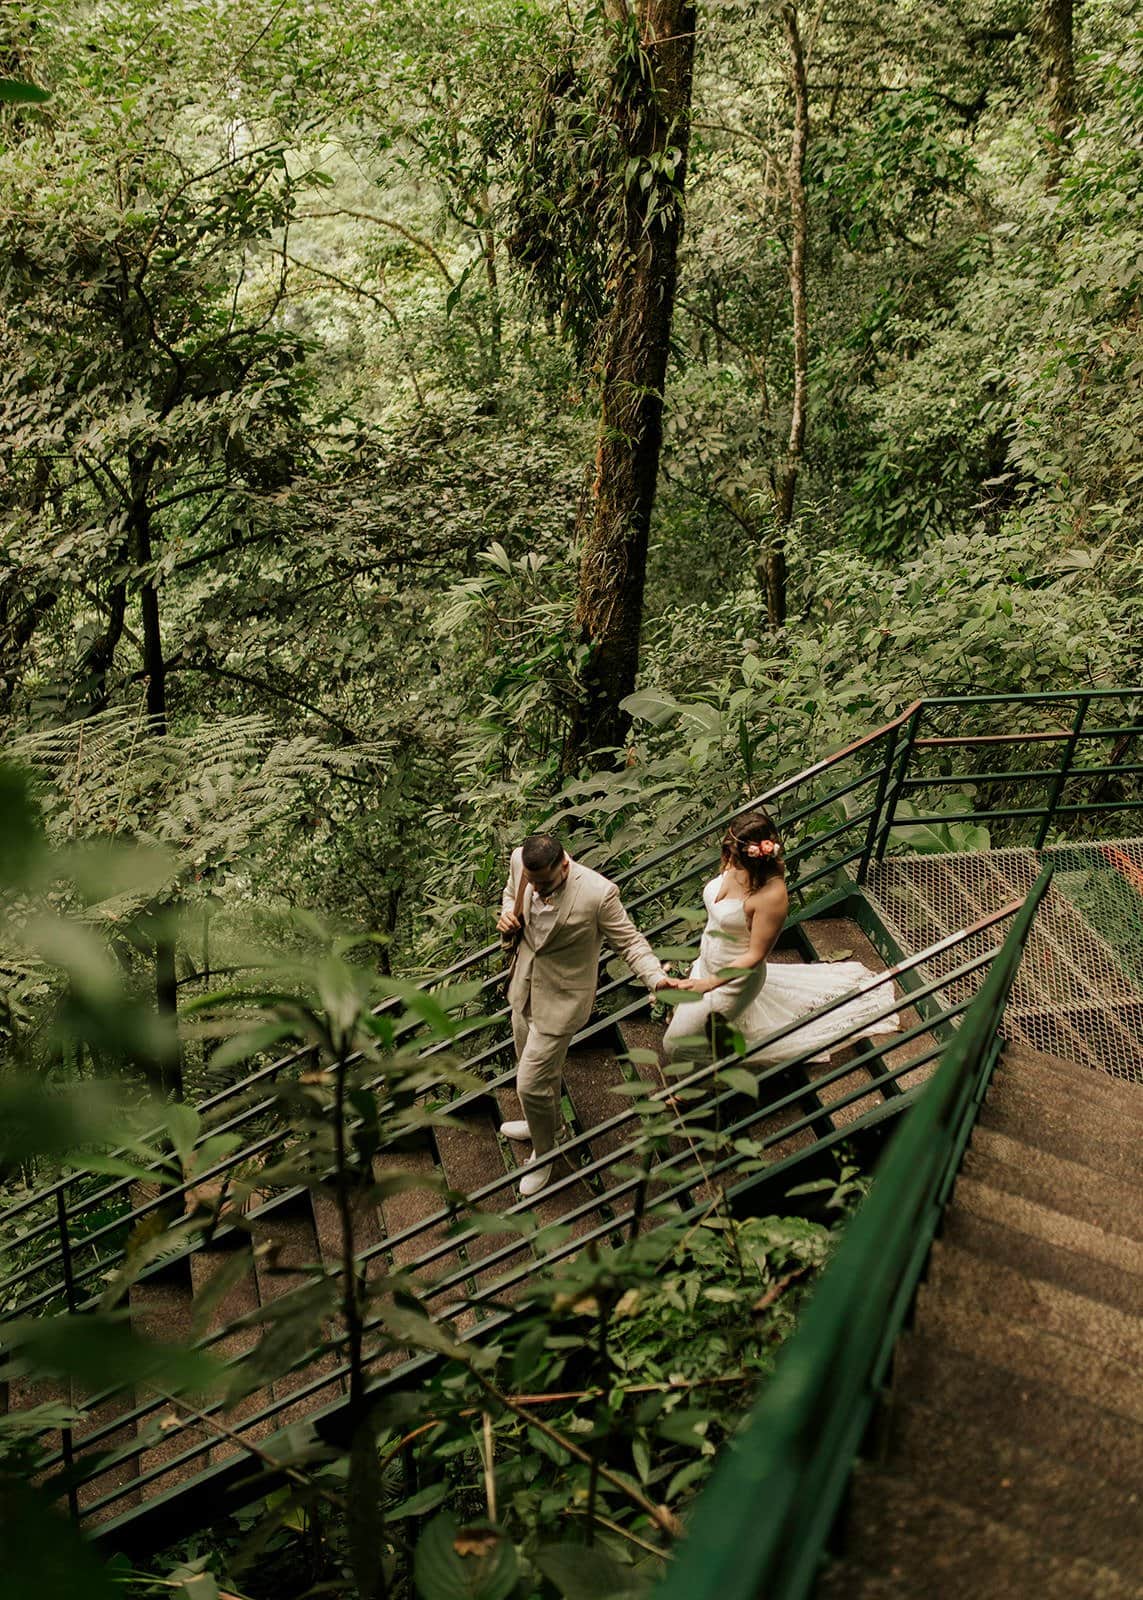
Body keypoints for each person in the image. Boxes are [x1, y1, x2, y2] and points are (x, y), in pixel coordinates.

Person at [496, 833, 676, 1197]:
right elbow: (510, 892)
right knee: (530, 1071)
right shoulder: (520, 860)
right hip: (523, 986)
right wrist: (506, 915)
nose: (537, 888)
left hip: (562, 1003)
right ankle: (544, 1125)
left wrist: (657, 980)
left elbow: (630, 942)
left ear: (565, 863)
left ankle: (546, 1154)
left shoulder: (598, 893)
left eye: (544, 882)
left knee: (529, 1083)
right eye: (533, 882)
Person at [663, 809, 899, 1067]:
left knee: (675, 1046)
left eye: (735, 854)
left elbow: (756, 955)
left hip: (733, 980)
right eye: (728, 849)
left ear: (756, 858)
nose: (728, 859)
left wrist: (709, 984)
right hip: (707, 962)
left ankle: (705, 1085)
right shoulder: (735, 859)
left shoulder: (771, 896)